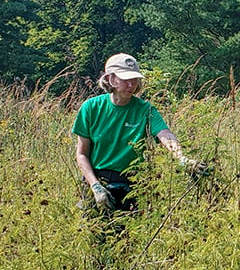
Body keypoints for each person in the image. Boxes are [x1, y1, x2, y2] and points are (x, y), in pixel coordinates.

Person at [72, 53, 207, 213]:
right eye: (126, 79)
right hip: (96, 179)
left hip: (130, 183)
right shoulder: (91, 108)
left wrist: (181, 159)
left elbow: (165, 135)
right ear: (111, 79)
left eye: (134, 79)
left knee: (127, 235)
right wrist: (95, 186)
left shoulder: (145, 110)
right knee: (93, 233)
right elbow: (82, 154)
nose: (131, 84)